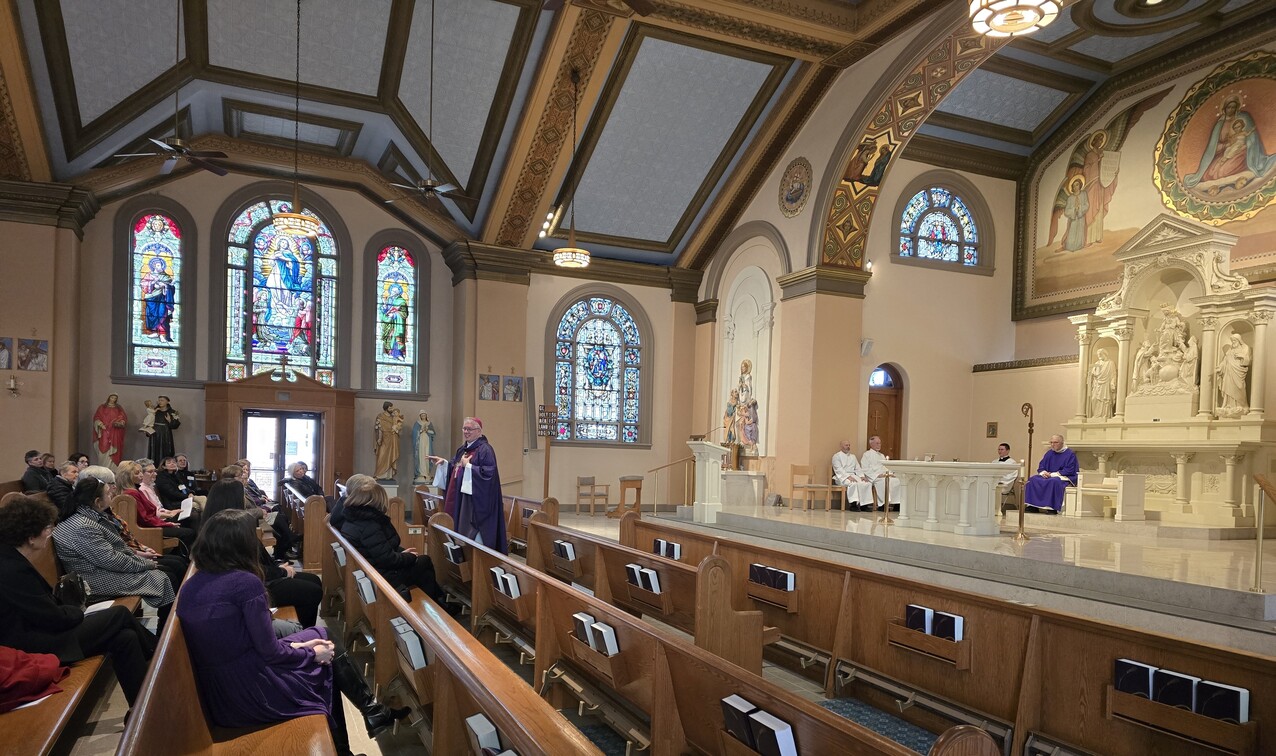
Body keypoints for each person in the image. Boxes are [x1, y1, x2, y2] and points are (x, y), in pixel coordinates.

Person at [178, 509, 405, 756]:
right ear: (240, 545)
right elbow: (269, 651)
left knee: (321, 637)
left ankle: (369, 713)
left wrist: (301, 647)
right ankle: (359, 729)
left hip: (223, 689)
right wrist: (310, 655)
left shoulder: (193, 584)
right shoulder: (244, 583)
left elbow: (243, 641)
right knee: (324, 662)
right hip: (249, 690)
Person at [0, 495, 156, 707]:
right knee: (119, 614)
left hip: (41, 631)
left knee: (125, 637)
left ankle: (140, 710)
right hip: (33, 645)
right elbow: (52, 618)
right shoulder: (11, 569)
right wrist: (77, 611)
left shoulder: (11, 558)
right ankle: (158, 663)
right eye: (46, 528)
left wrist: (69, 611)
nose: (49, 533)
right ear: (30, 537)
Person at [53, 478, 178, 629]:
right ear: (98, 501)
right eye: (108, 493)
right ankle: (166, 631)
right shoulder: (83, 526)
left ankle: (168, 628)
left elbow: (111, 550)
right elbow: (111, 560)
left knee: (169, 570)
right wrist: (146, 564)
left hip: (102, 570)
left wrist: (138, 555)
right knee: (165, 576)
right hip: (94, 580)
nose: (112, 494)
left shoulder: (89, 516)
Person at [204, 479, 322, 628]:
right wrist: (281, 572)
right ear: (232, 498)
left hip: (254, 576)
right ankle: (300, 635)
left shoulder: (223, 522)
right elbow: (245, 569)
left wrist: (278, 567)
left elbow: (253, 561)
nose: (244, 499)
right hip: (248, 586)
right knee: (311, 592)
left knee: (314, 580)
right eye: (242, 495)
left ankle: (302, 630)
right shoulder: (229, 528)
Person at [337, 475, 449, 608]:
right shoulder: (369, 525)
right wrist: (408, 557)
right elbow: (387, 560)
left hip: (369, 570)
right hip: (380, 577)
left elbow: (381, 550)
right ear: (375, 500)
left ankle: (438, 602)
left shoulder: (351, 516)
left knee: (421, 563)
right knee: (424, 563)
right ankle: (433, 607)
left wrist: (403, 554)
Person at [430, 417, 507, 553]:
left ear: (478, 431)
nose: (466, 432)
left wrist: (469, 466)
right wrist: (445, 464)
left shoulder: (485, 450)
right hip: (461, 499)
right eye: (464, 428)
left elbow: (489, 475)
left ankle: (477, 559)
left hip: (474, 503)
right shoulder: (463, 450)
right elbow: (455, 468)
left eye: (469, 429)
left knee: (472, 537)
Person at [118, 460, 197, 549]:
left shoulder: (136, 490)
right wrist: (167, 523)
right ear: (128, 476)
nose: (141, 475)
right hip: (148, 529)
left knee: (190, 520)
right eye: (137, 473)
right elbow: (145, 519)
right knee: (189, 531)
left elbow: (151, 512)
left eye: (141, 472)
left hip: (153, 523)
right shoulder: (132, 493)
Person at [1023, 434, 1078, 514]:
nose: (1052, 444)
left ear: (1062, 443)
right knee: (1032, 480)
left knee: (1053, 482)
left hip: (1064, 476)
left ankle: (1052, 507)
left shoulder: (1070, 454)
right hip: (1048, 475)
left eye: (1055, 442)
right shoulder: (1050, 453)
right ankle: (1033, 506)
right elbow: (1042, 465)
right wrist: (1043, 472)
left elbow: (1070, 469)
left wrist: (1052, 474)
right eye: (1051, 442)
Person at [1216, 333, 1252, 416]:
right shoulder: (1230, 351)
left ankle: (1241, 405)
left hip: (1238, 373)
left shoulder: (1245, 348)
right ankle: (1228, 405)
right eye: (1232, 341)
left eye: (1235, 340)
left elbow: (1248, 361)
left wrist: (1242, 356)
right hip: (1228, 373)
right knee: (1228, 389)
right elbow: (1225, 361)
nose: (1233, 342)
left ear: (1239, 341)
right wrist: (1220, 367)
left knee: (1240, 387)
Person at [860, 436, 899, 510]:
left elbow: (886, 467)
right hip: (875, 477)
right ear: (871, 444)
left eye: (880, 443)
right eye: (877, 443)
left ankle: (897, 504)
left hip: (884, 475)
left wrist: (890, 473)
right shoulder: (866, 455)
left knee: (897, 481)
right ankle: (883, 504)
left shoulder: (881, 455)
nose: (879, 445)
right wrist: (877, 475)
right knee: (884, 482)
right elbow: (865, 468)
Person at [832, 440, 872, 511]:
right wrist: (848, 477)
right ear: (841, 446)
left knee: (866, 483)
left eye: (849, 445)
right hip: (841, 477)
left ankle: (864, 505)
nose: (848, 447)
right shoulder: (836, 456)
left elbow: (857, 467)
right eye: (846, 445)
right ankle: (853, 505)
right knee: (853, 483)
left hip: (853, 475)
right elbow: (838, 469)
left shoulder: (853, 456)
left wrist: (862, 476)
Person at [92, 393, 128, 466]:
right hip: (104, 432)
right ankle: (103, 466)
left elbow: (123, 417)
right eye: (112, 397)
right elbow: (97, 417)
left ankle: (113, 468)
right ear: (109, 398)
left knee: (115, 450)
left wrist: (121, 422)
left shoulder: (118, 408)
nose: (113, 399)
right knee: (104, 448)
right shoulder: (102, 407)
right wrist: (100, 424)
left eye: (115, 398)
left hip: (115, 433)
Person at [372, 402, 404, 480]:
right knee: (382, 456)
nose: (392, 409)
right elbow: (377, 428)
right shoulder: (380, 416)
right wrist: (379, 438)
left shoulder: (393, 417)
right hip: (383, 439)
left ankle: (388, 475)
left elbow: (398, 427)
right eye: (390, 408)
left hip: (392, 439)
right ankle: (379, 474)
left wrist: (397, 429)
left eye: (392, 408)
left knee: (391, 455)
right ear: (386, 408)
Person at [146, 396, 180, 463]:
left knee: (166, 452)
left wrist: (170, 421)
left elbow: (176, 425)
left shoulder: (173, 412)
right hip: (154, 435)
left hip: (166, 435)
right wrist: (147, 430)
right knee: (154, 452)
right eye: (159, 400)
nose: (160, 402)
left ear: (167, 401)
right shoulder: (154, 411)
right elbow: (149, 422)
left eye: (162, 400)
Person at [1088, 348, 1115, 419]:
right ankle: (1096, 415)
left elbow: (1113, 374)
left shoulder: (1110, 363)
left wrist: (1112, 383)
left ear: (1104, 354)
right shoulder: (1096, 364)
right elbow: (1092, 374)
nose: (1099, 356)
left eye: (1100, 354)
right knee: (1094, 399)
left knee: (1104, 399)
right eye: (1098, 354)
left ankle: (1105, 415)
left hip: (1106, 384)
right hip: (1097, 384)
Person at [413, 411, 435, 483]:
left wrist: (427, 430)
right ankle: (421, 473)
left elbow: (433, 433)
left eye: (424, 415)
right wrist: (421, 430)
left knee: (427, 456)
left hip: (427, 441)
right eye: (422, 415)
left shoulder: (429, 423)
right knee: (421, 456)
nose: (423, 416)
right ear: (420, 416)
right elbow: (414, 433)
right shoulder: (417, 423)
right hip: (420, 442)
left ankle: (427, 473)